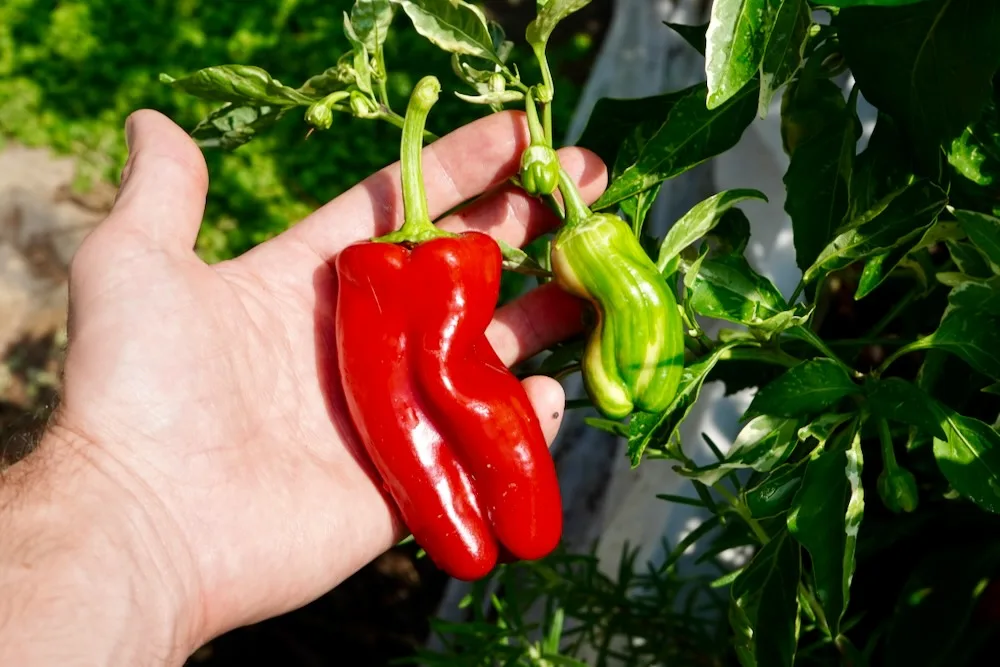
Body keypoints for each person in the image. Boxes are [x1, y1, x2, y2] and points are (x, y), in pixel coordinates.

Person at [0, 109, 607, 665]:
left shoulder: (389, 268)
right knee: (474, 493)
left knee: (471, 407)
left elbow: (448, 378)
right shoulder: (392, 267)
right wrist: (122, 488)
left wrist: (118, 498)